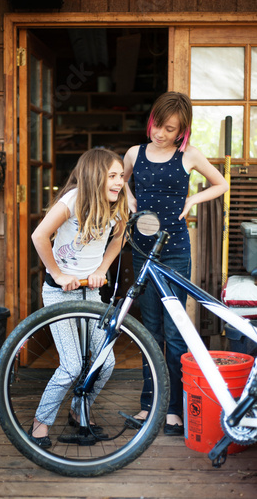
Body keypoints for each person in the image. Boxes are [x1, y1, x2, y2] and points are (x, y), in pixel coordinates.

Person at [123, 91, 229, 436]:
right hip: (143, 250)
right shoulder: (134, 153)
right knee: (149, 329)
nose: (161, 134)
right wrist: (130, 198)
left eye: (170, 129)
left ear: (181, 131)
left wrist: (193, 198)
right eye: (158, 125)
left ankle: (174, 410)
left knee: (175, 331)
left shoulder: (188, 155)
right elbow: (120, 182)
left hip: (176, 251)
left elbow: (221, 184)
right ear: (152, 120)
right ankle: (148, 404)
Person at [29, 148, 129, 447]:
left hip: (91, 291)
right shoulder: (72, 201)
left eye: (121, 176)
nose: (119, 182)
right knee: (71, 365)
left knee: (105, 362)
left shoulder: (117, 204)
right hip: (60, 293)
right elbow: (38, 236)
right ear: (94, 176)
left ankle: (78, 409)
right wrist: (58, 274)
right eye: (112, 176)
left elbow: (120, 236)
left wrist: (101, 268)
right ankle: (39, 423)